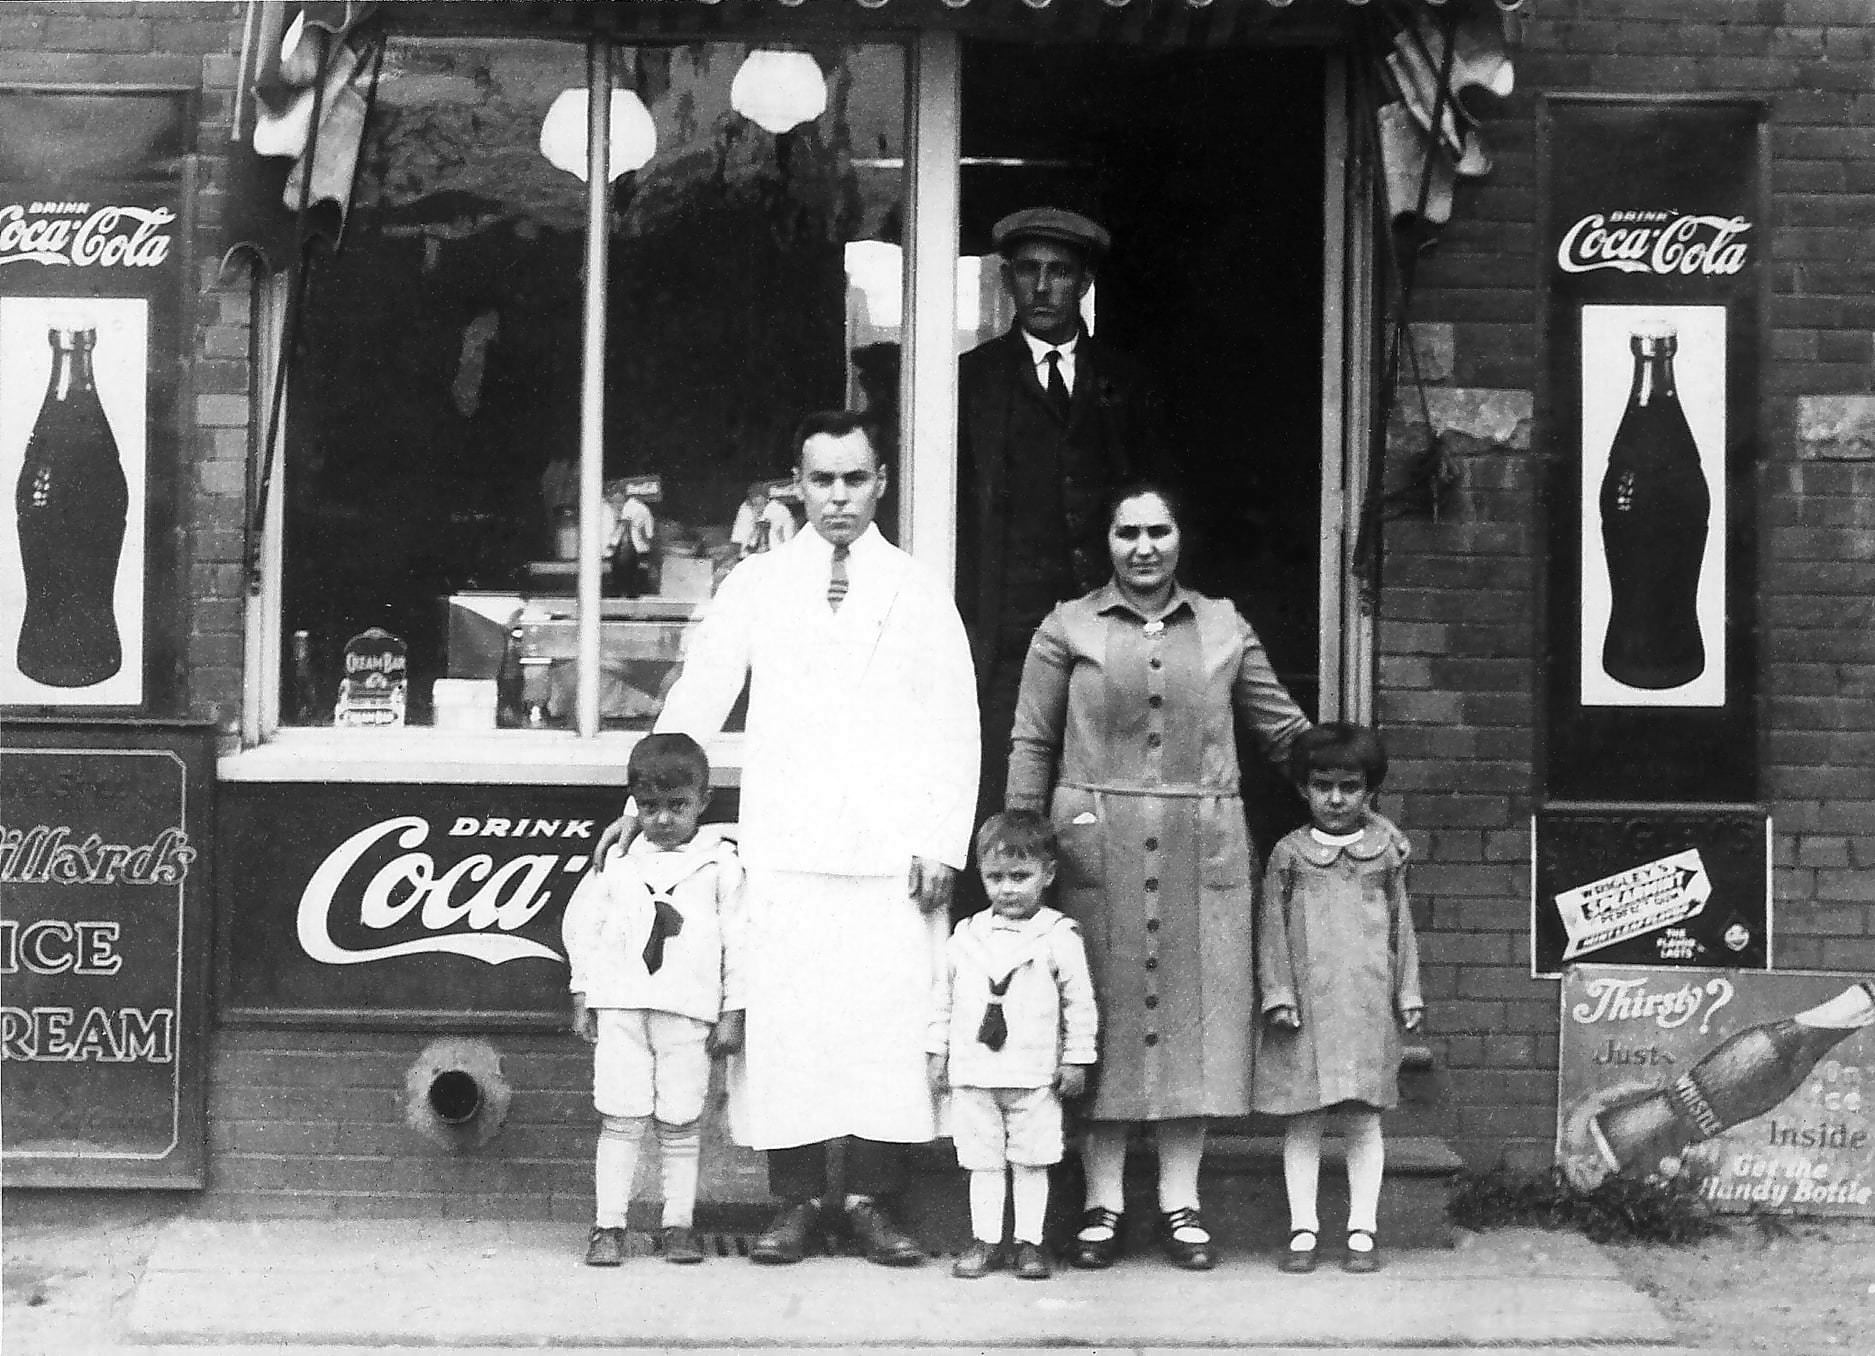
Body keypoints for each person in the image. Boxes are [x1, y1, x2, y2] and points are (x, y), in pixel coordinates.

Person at [597, 411, 980, 1267]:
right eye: (821, 480)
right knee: (789, 1031)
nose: (837, 497)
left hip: (888, 851)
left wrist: (939, 840)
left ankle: (874, 1202)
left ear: (880, 482)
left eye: (853, 479)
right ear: (796, 485)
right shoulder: (756, 585)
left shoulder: (916, 590)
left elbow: (954, 721)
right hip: (786, 843)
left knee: (883, 1027)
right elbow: (700, 695)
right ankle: (797, 1202)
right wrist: (647, 792)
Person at [1006, 480, 1311, 1271]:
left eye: (1159, 531)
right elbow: (1032, 742)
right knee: (1095, 1018)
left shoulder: (1222, 626)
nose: (1143, 548)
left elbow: (1282, 731)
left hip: (1199, 842)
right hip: (1089, 846)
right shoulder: (1065, 626)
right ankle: (1101, 1205)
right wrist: (1020, 840)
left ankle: (1182, 1202)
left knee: (1193, 1020)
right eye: (1126, 532)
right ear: (1104, 541)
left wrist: (1350, 792)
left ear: (1182, 537)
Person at [958, 206, 1170, 822]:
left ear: (1084, 283)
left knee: (1108, 791)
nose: (1043, 285)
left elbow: (1160, 500)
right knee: (1007, 793)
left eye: (1058, 271)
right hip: (1006, 635)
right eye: (1028, 271)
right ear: (1007, 281)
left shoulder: (1127, 381)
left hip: (1110, 623)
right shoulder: (972, 381)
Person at [560, 733, 746, 1268]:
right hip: (622, 1005)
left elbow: (739, 940)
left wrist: (733, 1010)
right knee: (620, 1118)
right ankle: (609, 1225)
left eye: (677, 806)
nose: (663, 820)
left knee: (681, 1121)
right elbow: (585, 927)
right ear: (633, 804)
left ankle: (678, 1225)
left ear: (703, 802)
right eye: (649, 806)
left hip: (686, 1009)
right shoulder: (617, 859)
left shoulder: (720, 864)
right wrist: (582, 991)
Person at [1253, 723, 1424, 1276]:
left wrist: (1408, 991)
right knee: (1303, 1120)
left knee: (1360, 1120)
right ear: (1304, 788)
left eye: (1349, 787)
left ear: (1369, 791)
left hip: (1365, 1007)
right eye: (1322, 785)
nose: (1335, 798)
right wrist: (1277, 992)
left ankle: (1362, 1230)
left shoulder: (1383, 854)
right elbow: (1270, 929)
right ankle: (1303, 1229)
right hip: (1304, 1007)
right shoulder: (1290, 853)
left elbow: (1403, 928)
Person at [927, 811, 1098, 1281]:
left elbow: (1078, 1002)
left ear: (1048, 874)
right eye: (995, 877)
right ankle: (985, 1239)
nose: (1007, 889)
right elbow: (943, 999)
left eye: (1020, 877)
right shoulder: (966, 937)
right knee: (982, 1163)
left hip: (1033, 1074)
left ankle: (1029, 1242)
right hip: (975, 1074)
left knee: (1032, 1160)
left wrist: (1076, 1058)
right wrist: (938, 1054)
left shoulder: (1058, 936)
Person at [729, 479, 796, 557]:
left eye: (758, 497)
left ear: (766, 498)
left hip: (778, 554)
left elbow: (790, 539)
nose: (755, 500)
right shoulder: (746, 509)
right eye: (753, 497)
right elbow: (739, 537)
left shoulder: (779, 510)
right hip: (754, 555)